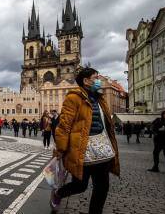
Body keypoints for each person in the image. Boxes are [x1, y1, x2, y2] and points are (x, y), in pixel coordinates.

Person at [50, 68, 120, 214]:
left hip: (102, 150)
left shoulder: (100, 99)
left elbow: (106, 123)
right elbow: (64, 125)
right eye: (96, 77)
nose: (99, 80)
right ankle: (58, 193)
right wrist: (61, 149)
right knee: (80, 186)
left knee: (102, 187)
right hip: (82, 149)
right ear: (86, 81)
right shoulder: (73, 98)